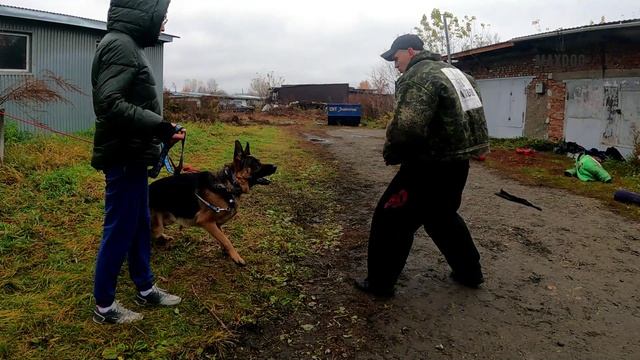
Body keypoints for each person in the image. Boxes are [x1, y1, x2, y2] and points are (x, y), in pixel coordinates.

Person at [354, 34, 490, 297]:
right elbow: (474, 116)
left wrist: (392, 152)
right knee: (442, 217)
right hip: (457, 163)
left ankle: (380, 284)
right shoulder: (459, 75)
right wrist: (476, 148)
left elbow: (408, 127)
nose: (395, 65)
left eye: (396, 58)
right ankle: (469, 272)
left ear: (411, 51)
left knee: (389, 219)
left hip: (428, 165)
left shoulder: (419, 76)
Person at [90, 0, 184, 324]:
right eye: (162, 16)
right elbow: (110, 103)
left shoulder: (127, 45)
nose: (164, 22)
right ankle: (104, 307)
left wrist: (162, 132)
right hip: (123, 155)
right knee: (119, 228)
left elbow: (131, 103)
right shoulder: (120, 45)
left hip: (133, 151)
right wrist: (158, 125)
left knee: (140, 223)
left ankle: (145, 288)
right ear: (145, 13)